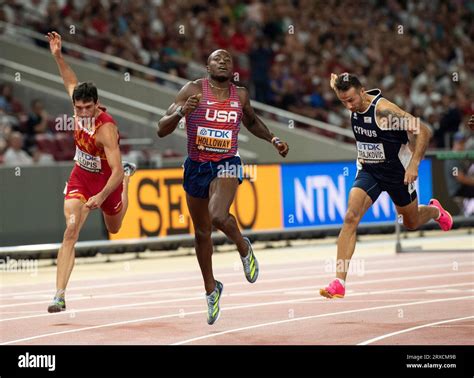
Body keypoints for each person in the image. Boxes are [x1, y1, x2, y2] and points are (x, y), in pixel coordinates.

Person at [157, 49, 289, 324]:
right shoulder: (192, 90)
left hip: (227, 162)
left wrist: (273, 139)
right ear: (207, 66)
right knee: (202, 233)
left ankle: (243, 247)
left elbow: (251, 121)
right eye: (217, 59)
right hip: (196, 166)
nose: (223, 62)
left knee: (218, 215)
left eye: (228, 59)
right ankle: (211, 289)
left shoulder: (239, 94)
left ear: (233, 69)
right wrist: (182, 111)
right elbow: (162, 127)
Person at [320, 73, 453, 300]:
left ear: (362, 92)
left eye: (351, 100)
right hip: (369, 170)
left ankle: (433, 210)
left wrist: (414, 165)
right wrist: (334, 84)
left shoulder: (385, 112)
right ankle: (339, 282)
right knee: (351, 216)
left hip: (397, 173)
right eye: (343, 101)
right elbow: (339, 86)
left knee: (410, 222)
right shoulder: (347, 95)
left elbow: (424, 131)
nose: (349, 106)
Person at [46, 31, 136, 313]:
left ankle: (132, 185)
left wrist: (103, 194)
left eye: (87, 108)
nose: (82, 112)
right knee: (71, 230)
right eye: (78, 107)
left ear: (97, 105)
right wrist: (58, 56)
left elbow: (117, 171)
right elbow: (69, 78)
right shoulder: (77, 104)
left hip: (108, 181)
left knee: (115, 227)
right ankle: (59, 295)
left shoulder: (106, 129)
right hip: (81, 177)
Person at [444, 131, 474, 201]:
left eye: (463, 143)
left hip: (463, 188)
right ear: (454, 143)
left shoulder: (461, 156)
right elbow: (460, 178)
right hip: (457, 190)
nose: (462, 145)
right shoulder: (452, 158)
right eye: (459, 143)